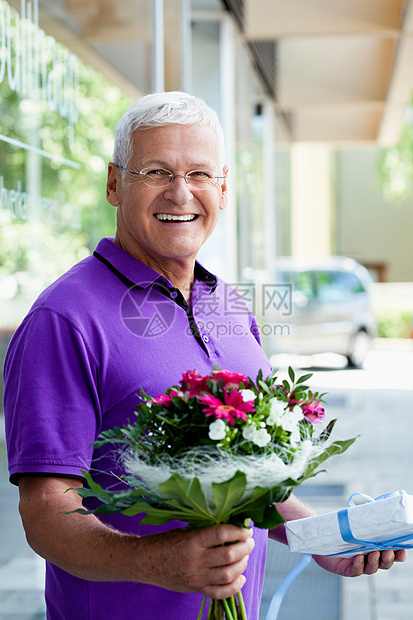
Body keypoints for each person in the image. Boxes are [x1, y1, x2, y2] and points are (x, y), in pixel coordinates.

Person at [4, 91, 406, 620]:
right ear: (113, 184)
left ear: (222, 188)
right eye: (155, 172)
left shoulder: (230, 306)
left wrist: (324, 541)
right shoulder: (63, 320)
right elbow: (46, 512)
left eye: (199, 174)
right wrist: (159, 562)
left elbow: (249, 478)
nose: (180, 193)